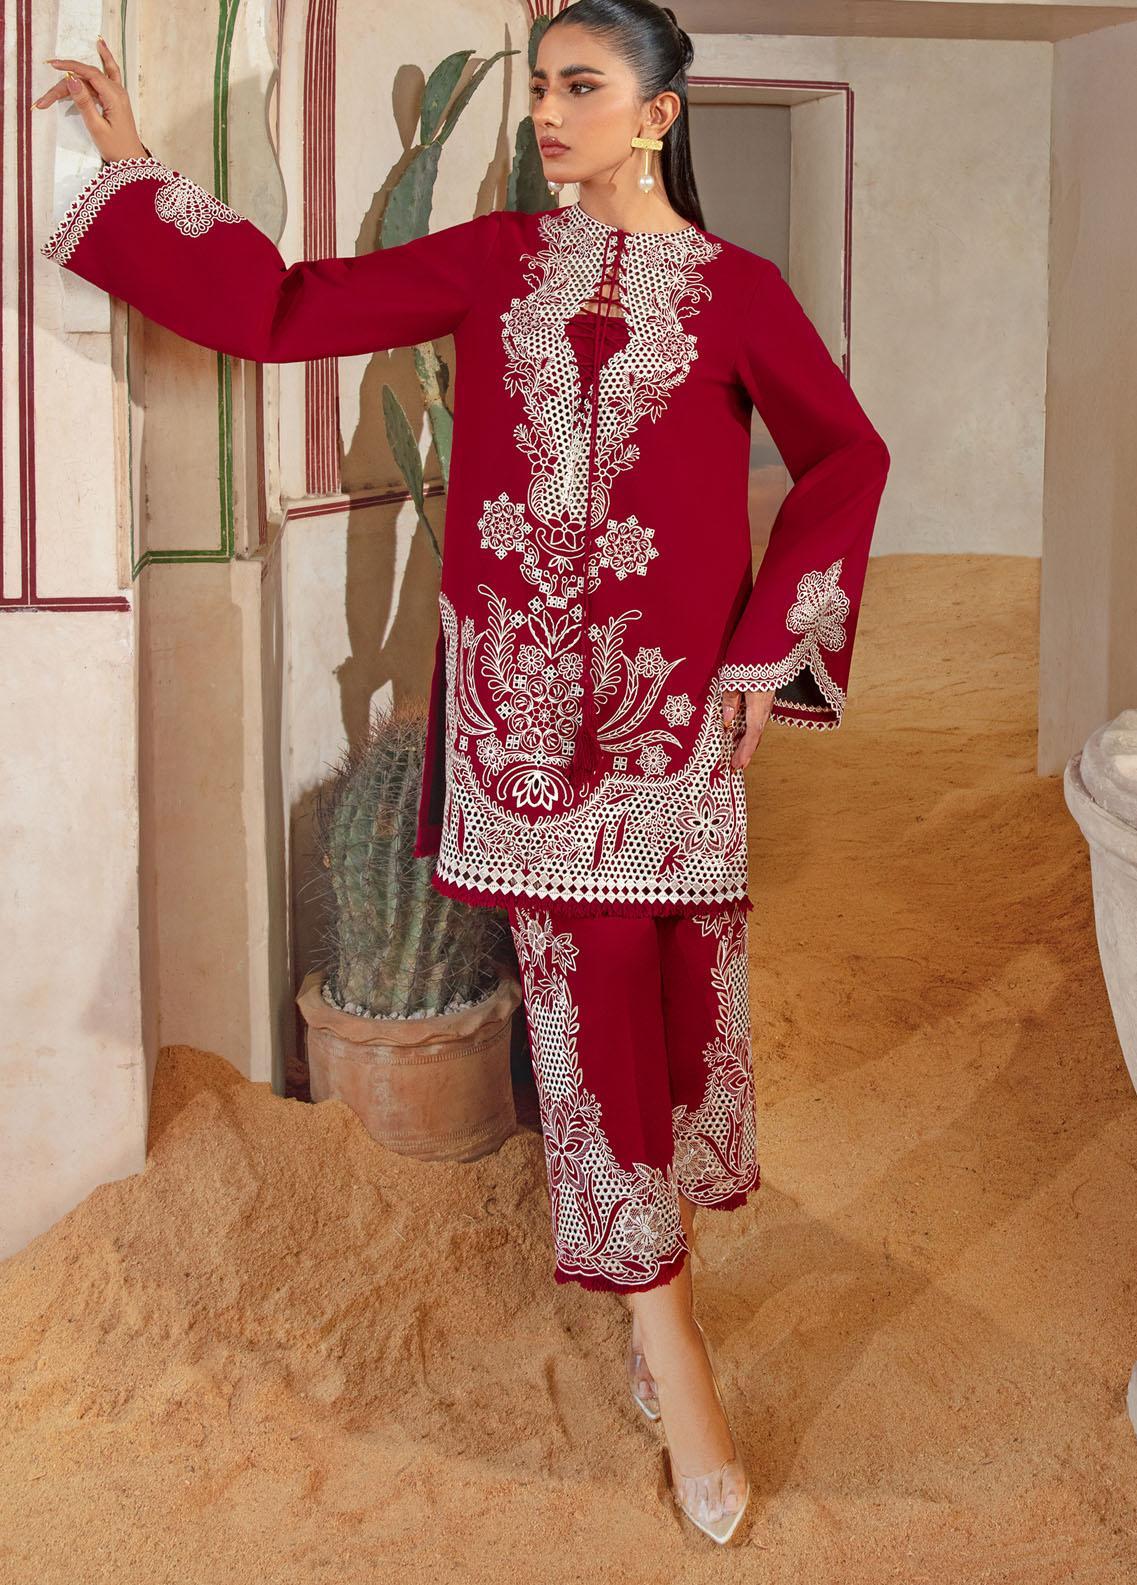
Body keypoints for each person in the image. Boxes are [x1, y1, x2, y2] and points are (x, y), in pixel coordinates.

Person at [36, 0, 890, 1547]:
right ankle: (674, 1352)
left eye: (583, 87)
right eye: (542, 87)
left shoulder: (736, 293)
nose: (548, 112)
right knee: (587, 1024)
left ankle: (647, 1287)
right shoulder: (494, 262)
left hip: (664, 738)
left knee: (665, 1013)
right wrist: (138, 179)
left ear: (658, 113)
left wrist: (764, 653)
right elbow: (282, 308)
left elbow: (844, 456)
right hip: (522, 737)